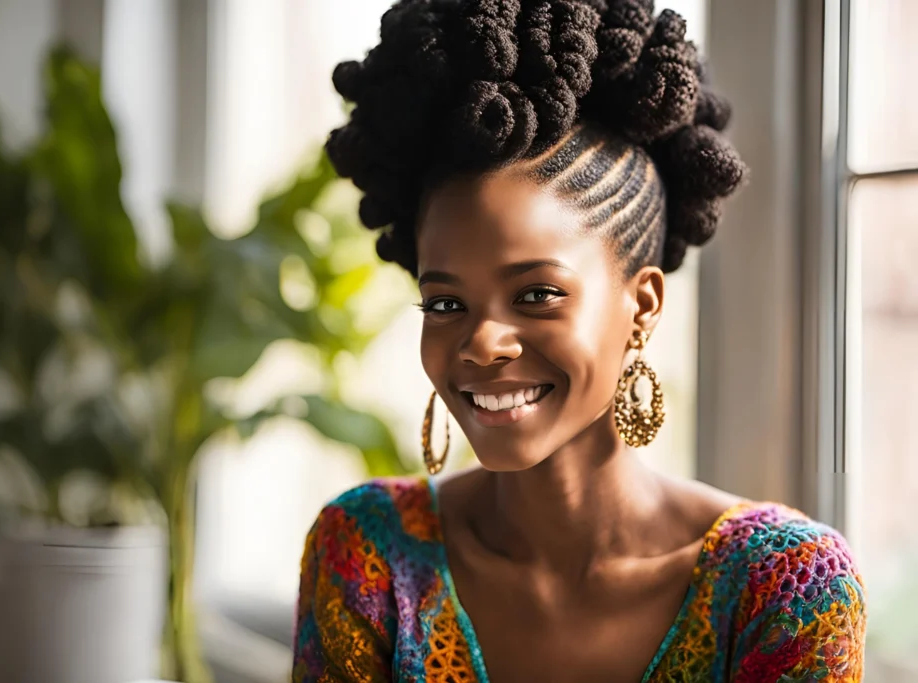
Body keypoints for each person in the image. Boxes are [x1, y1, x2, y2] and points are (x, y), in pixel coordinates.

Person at [292, 1, 866, 680]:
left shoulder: (786, 587)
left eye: (536, 293)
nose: (481, 343)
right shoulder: (367, 553)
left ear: (642, 303)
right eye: (446, 302)